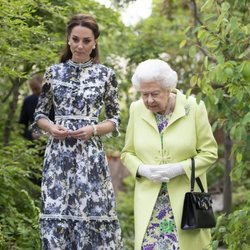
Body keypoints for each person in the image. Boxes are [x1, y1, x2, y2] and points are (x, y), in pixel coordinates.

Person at [32, 14, 123, 249]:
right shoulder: (53, 72)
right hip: (58, 157)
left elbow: (114, 120)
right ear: (68, 40)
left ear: (94, 43)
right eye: (75, 39)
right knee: (57, 215)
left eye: (86, 40)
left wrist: (94, 129)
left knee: (92, 215)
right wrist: (51, 126)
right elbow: (39, 115)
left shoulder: (106, 75)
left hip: (90, 158)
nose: (80, 45)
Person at [121, 59, 218, 250]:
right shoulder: (136, 109)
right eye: (144, 94)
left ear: (169, 88)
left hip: (186, 205)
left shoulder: (194, 107)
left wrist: (179, 168)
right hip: (150, 206)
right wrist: (142, 169)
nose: (149, 100)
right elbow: (127, 153)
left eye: (155, 94)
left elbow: (210, 152)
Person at [19, 74, 54, 140]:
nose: (35, 92)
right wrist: (31, 135)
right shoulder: (28, 101)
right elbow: (21, 126)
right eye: (33, 89)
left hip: (55, 139)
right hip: (35, 143)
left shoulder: (54, 99)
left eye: (36, 88)